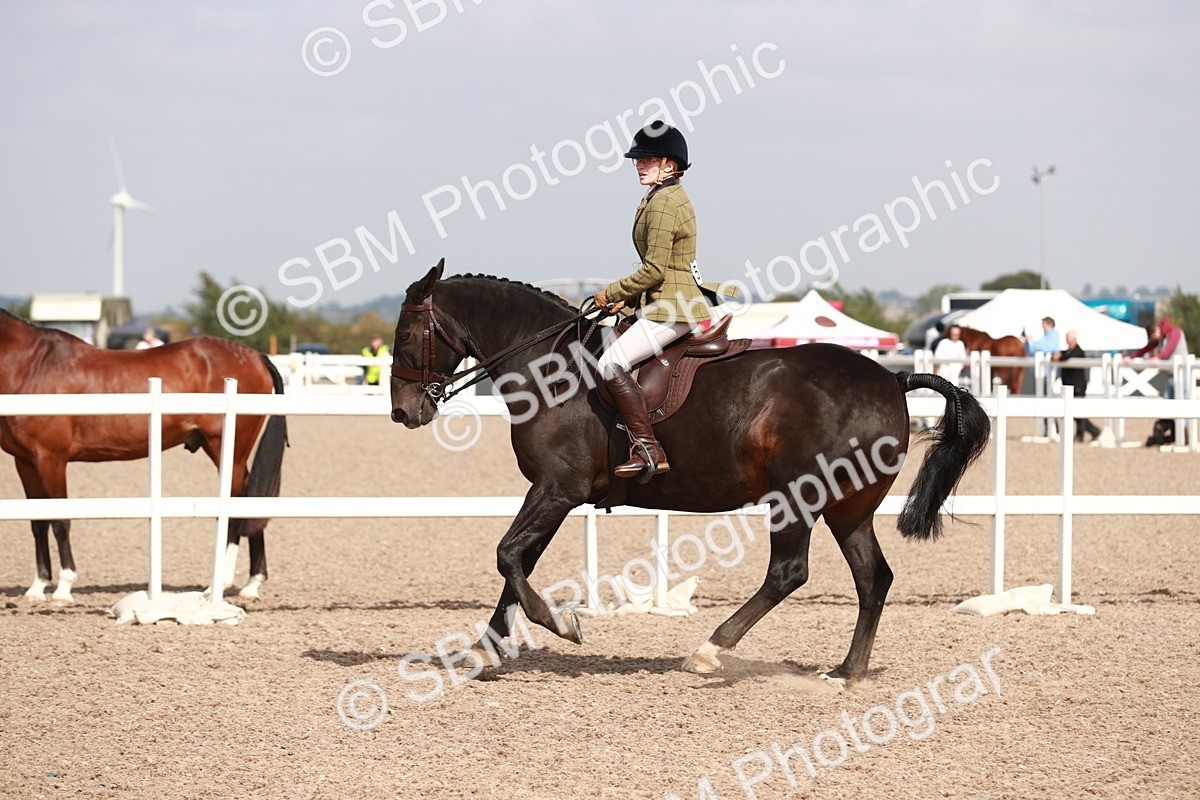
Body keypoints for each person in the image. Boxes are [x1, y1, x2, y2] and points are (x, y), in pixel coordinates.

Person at [593, 121, 731, 481]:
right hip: (664, 300)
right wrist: (626, 304)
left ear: (670, 165)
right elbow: (663, 269)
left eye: (647, 159)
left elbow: (654, 270)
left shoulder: (664, 203)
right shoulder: (659, 196)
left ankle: (646, 446)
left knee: (611, 364)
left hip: (674, 306)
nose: (639, 165)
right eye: (637, 160)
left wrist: (613, 293)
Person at [1055, 330, 1101, 442]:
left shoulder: (1078, 351)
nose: (1066, 340)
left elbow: (1066, 358)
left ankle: (1084, 433)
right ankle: (1090, 432)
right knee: (1074, 412)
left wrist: (1059, 357)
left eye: (1068, 338)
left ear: (1074, 339)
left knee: (1078, 412)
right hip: (1069, 385)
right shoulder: (1068, 351)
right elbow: (1064, 355)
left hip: (1078, 386)